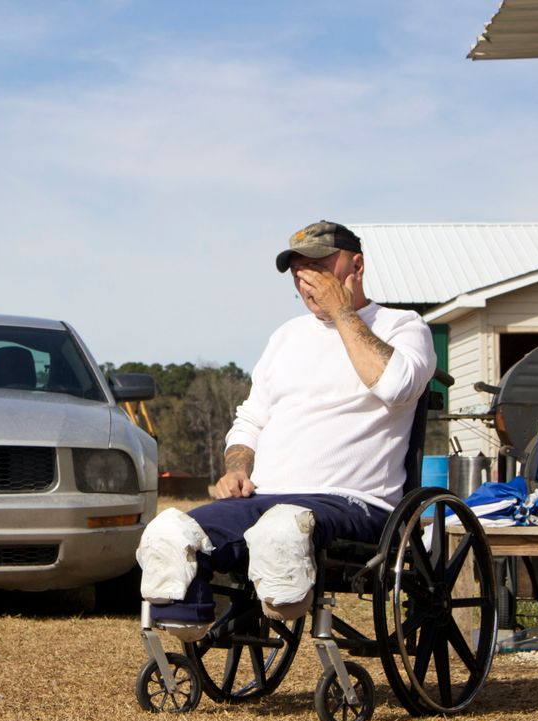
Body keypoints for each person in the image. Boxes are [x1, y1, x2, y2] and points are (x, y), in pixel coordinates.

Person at [136, 220, 436, 641]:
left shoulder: (404, 327)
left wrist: (342, 312)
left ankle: (285, 603)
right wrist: (237, 467)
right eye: (298, 270)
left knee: (282, 528)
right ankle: (188, 629)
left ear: (357, 266)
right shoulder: (286, 337)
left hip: (354, 502)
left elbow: (396, 385)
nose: (306, 280)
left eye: (319, 266)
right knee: (170, 532)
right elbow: (250, 420)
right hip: (266, 497)